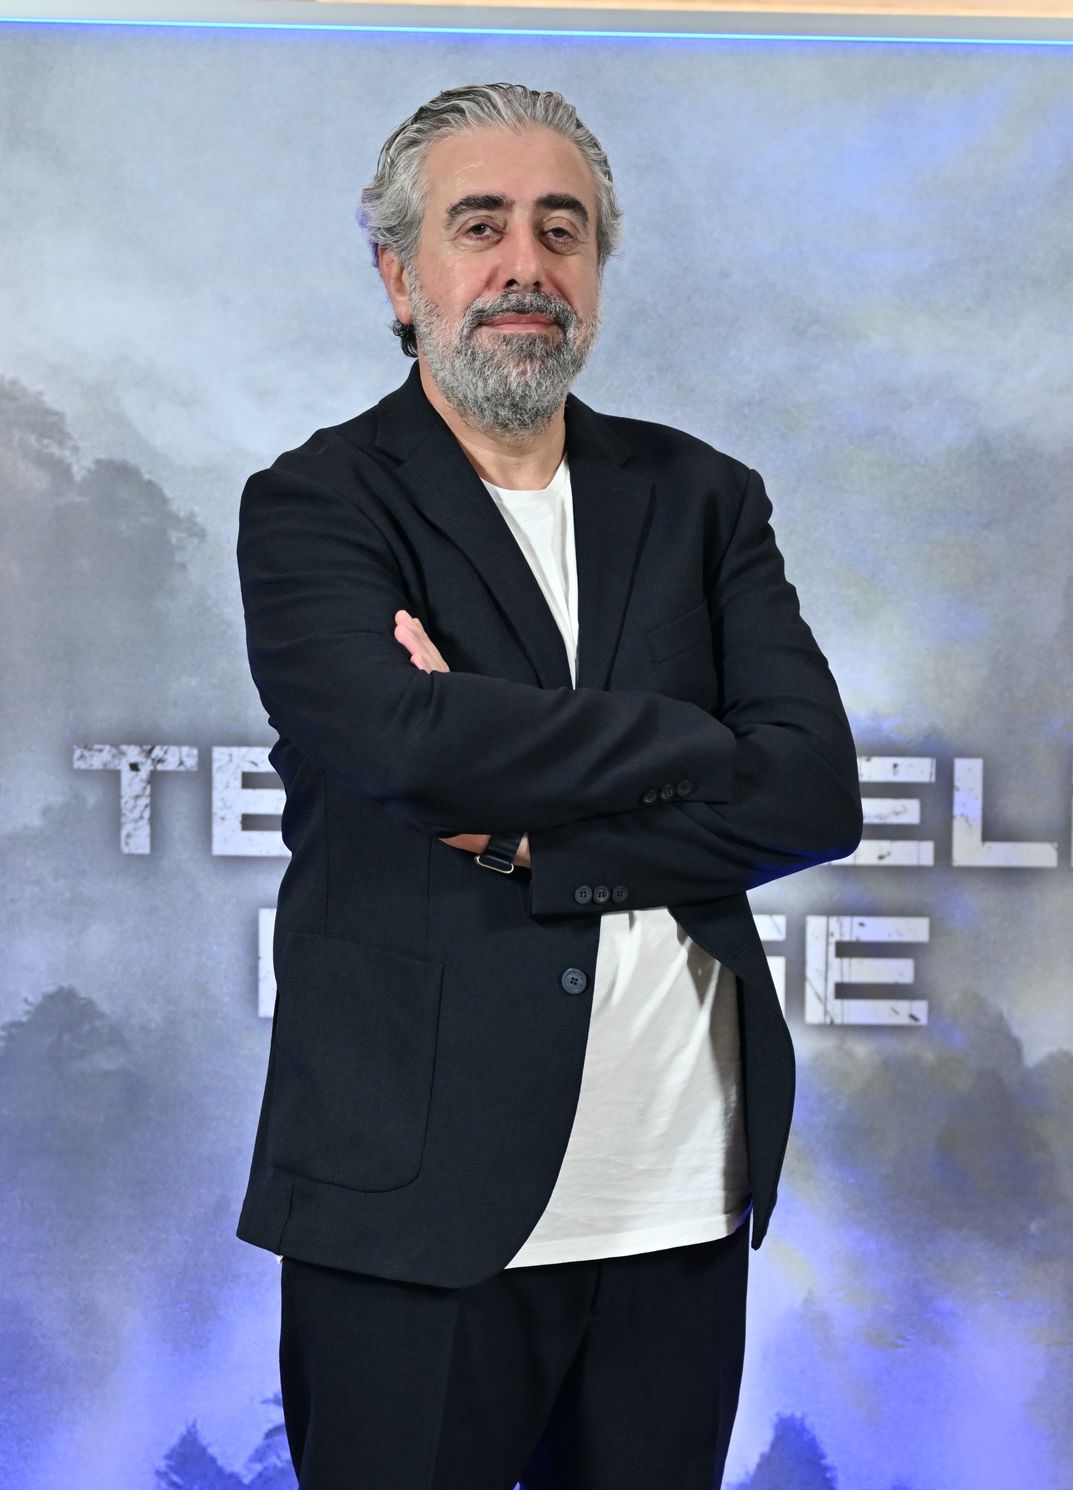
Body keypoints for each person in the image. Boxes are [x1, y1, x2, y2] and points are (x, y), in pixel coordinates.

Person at [234, 82, 862, 1490]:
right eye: (481, 226)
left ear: (595, 269)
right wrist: (699, 741)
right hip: (414, 1206)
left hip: (678, 1198)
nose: (527, 263)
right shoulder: (317, 503)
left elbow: (814, 791)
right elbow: (402, 744)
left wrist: (534, 841)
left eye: (560, 230)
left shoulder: (702, 498)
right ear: (400, 277)